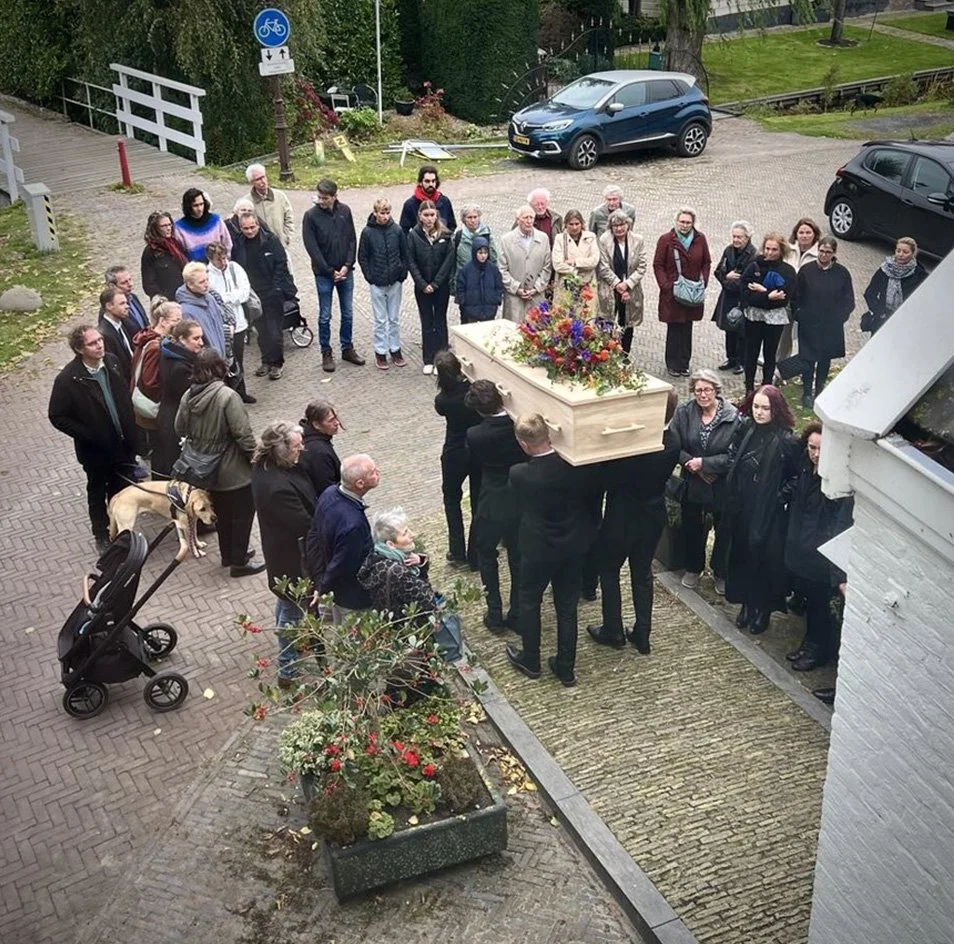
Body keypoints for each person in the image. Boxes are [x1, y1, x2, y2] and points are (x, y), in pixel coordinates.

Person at [505, 413, 596, 688]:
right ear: (550, 436)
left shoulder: (520, 474)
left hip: (538, 547)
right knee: (567, 606)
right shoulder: (574, 467)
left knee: (530, 600)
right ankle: (566, 667)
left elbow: (517, 505)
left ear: (523, 444)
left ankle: (530, 660)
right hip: (571, 545)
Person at [587, 390, 680, 653]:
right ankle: (643, 634)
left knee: (608, 569)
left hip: (622, 516)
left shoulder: (633, 446)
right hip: (652, 516)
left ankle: (613, 629)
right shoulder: (673, 442)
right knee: (642, 574)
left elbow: (606, 476)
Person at [48, 325, 140, 553]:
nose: (100, 345)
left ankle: (121, 532)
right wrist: (89, 434)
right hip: (96, 451)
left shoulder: (112, 362)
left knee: (122, 491)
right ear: (80, 349)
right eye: (92, 343)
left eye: (100, 340)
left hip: (122, 443)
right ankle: (101, 534)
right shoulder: (69, 379)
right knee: (98, 492)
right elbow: (57, 416)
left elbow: (124, 396)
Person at [174, 349, 263, 577]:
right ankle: (239, 561)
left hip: (205, 470)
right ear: (220, 368)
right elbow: (243, 435)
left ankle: (227, 555)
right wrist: (256, 459)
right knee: (243, 515)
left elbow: (179, 428)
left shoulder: (188, 396)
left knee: (221, 513)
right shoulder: (228, 397)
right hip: (233, 470)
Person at [723, 385, 799, 635]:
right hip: (744, 502)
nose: (759, 412)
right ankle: (745, 603)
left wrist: (779, 498)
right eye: (756, 406)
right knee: (742, 554)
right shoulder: (746, 428)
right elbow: (733, 451)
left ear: (775, 409)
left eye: (765, 408)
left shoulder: (787, 440)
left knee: (764, 560)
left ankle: (762, 608)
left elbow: (796, 476)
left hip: (768, 510)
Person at [784, 421, 853, 673]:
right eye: (811, 448)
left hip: (820, 554)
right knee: (810, 601)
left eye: (821, 449)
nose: (815, 454)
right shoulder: (806, 469)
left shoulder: (835, 482)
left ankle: (817, 649)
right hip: (801, 547)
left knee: (819, 605)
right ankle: (809, 643)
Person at [250, 420, 315, 689]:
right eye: (297, 447)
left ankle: (291, 650)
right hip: (291, 558)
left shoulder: (266, 467)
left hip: (281, 554)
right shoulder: (277, 487)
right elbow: (303, 523)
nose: (301, 451)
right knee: (291, 606)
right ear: (281, 449)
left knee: (285, 599)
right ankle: (287, 668)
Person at [669, 369, 740, 594]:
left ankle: (720, 573)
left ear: (716, 390)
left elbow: (735, 455)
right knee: (692, 526)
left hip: (722, 484)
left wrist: (707, 464)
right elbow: (674, 444)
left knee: (724, 530)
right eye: (698, 390)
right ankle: (693, 567)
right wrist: (693, 464)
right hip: (693, 482)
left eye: (707, 389)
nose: (702, 395)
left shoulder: (733, 417)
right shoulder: (684, 413)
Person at [465, 380, 526, 633]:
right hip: (518, 499)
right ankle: (518, 611)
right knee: (517, 557)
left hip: (491, 500)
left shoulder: (475, 435)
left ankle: (494, 611)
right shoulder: (518, 427)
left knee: (486, 553)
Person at [305, 453, 380, 623]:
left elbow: (314, 535)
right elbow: (342, 565)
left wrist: (319, 581)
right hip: (355, 598)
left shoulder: (329, 493)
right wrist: (322, 585)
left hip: (338, 593)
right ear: (360, 484)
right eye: (373, 472)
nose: (378, 472)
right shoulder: (353, 525)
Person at [302, 178, 365, 373]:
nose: (321, 201)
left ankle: (347, 348)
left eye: (325, 198)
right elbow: (311, 247)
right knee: (325, 315)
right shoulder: (310, 216)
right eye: (319, 197)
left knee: (347, 313)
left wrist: (348, 265)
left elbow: (351, 239)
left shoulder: (345, 211)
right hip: (324, 273)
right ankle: (326, 351)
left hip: (345, 271)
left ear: (335, 197)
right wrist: (330, 270)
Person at [232, 211, 298, 382]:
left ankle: (277, 363)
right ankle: (266, 361)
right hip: (253, 295)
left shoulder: (271, 241)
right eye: (245, 228)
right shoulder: (238, 244)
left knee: (274, 330)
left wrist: (276, 287)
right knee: (261, 331)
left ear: (258, 225)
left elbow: (281, 264)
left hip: (272, 292)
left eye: (252, 227)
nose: (249, 231)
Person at [794, 235, 855, 409]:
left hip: (830, 325)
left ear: (834, 253)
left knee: (824, 359)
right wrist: (799, 314)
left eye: (828, 252)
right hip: (809, 322)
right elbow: (796, 295)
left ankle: (819, 390)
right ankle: (806, 392)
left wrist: (840, 317)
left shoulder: (842, 273)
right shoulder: (806, 270)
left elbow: (848, 300)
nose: (823, 255)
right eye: (821, 251)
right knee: (807, 358)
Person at [434, 349, 482, 568]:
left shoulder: (442, 400)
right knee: (477, 502)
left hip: (453, 450)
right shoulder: (471, 392)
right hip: (475, 448)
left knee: (451, 499)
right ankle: (476, 554)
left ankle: (457, 550)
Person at [653, 207, 712, 377]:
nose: (685, 225)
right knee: (674, 327)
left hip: (692, 291)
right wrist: (666, 285)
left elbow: (706, 262)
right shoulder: (666, 240)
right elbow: (658, 265)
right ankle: (672, 363)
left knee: (687, 326)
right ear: (676, 222)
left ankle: (684, 362)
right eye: (682, 222)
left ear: (693, 223)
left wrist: (703, 281)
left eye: (688, 222)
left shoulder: (700, 239)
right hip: (673, 291)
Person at [740, 232, 797, 394]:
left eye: (774, 250)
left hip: (775, 319)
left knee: (769, 354)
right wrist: (768, 295)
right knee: (751, 352)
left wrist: (761, 291)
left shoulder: (787, 271)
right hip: (754, 316)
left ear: (781, 251)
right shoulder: (753, 265)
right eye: (767, 249)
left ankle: (766, 388)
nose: (770, 253)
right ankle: (749, 388)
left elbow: (784, 298)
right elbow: (745, 293)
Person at [357, 508, 437, 622]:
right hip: (408, 624)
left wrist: (420, 560)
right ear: (391, 544)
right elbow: (427, 598)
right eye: (405, 533)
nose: (412, 535)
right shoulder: (399, 572)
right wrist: (422, 567)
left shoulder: (376, 557)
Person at [357, 197, 409, 370]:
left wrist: (402, 274)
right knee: (380, 320)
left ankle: (395, 349)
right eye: (382, 213)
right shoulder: (367, 232)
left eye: (387, 213)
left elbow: (404, 253)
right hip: (377, 282)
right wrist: (370, 277)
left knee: (394, 318)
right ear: (375, 213)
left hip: (395, 281)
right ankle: (380, 352)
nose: (385, 216)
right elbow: (362, 257)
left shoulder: (397, 230)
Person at [407, 199, 455, 375]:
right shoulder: (413, 235)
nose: (429, 219)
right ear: (420, 216)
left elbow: (448, 261)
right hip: (422, 287)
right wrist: (422, 284)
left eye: (432, 215)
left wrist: (435, 284)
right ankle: (428, 358)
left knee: (440, 321)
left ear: (437, 215)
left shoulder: (445, 235)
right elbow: (411, 261)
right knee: (427, 322)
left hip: (440, 287)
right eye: (425, 215)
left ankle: (442, 359)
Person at [153, 318, 204, 477]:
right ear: (182, 339)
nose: (201, 343)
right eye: (196, 339)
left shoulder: (172, 354)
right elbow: (192, 400)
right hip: (174, 421)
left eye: (201, 337)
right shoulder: (180, 367)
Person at [206, 242, 255, 403]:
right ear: (210, 259)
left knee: (238, 359)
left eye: (224, 257)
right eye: (218, 259)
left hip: (239, 323)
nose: (223, 262)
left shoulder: (235, 268)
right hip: (220, 328)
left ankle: (241, 391)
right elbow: (211, 299)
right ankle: (227, 395)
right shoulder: (207, 275)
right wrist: (229, 297)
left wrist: (224, 298)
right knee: (222, 362)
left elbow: (244, 293)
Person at [129, 297, 182, 442]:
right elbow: (150, 382)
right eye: (176, 320)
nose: (180, 324)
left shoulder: (148, 336)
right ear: (163, 321)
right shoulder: (155, 347)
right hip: (154, 411)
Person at [596, 209, 647, 355]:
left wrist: (627, 285)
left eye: (622, 224)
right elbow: (603, 267)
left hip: (631, 289)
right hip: (609, 288)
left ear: (628, 224)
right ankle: (604, 355)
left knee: (627, 323)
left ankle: (624, 355)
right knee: (606, 322)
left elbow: (642, 266)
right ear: (611, 227)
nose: (619, 228)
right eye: (615, 225)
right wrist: (618, 285)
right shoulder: (604, 240)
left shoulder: (638, 240)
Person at [712, 221, 756, 375]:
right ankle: (730, 358)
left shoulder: (753, 255)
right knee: (728, 328)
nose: (736, 240)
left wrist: (733, 281)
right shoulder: (728, 250)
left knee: (742, 331)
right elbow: (718, 271)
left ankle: (741, 361)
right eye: (734, 236)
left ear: (747, 237)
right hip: (728, 295)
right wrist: (727, 277)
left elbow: (748, 279)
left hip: (743, 298)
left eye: (740, 237)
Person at [863, 236, 929, 335]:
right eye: (898, 251)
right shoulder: (884, 269)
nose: (901, 254)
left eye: (905, 252)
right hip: (882, 319)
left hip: (904, 322)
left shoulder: (919, 275)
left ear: (913, 254)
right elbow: (870, 293)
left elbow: (923, 301)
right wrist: (880, 312)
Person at [778, 217, 822, 365]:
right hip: (787, 300)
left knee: (806, 337)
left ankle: (805, 368)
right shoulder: (788, 251)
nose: (804, 235)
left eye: (808, 232)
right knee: (783, 336)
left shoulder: (820, 254)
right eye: (801, 232)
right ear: (796, 234)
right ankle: (780, 365)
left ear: (814, 234)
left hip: (807, 303)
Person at [498, 205, 552, 324]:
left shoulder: (543, 239)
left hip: (536, 296)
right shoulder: (506, 240)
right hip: (515, 297)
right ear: (517, 220)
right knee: (513, 332)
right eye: (525, 218)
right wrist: (516, 288)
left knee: (537, 332)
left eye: (531, 218)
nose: (529, 221)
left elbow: (547, 267)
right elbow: (502, 269)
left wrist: (536, 288)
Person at [175, 262, 228, 358]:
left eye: (207, 280)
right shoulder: (186, 311)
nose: (206, 284)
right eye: (201, 282)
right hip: (207, 361)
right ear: (190, 284)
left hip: (221, 355)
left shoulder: (210, 298)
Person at [551, 209, 599, 308]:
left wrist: (574, 262)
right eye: (571, 224)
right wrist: (575, 271)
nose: (574, 227)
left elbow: (594, 260)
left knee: (586, 316)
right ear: (565, 224)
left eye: (577, 224)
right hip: (565, 285)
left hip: (587, 284)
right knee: (564, 318)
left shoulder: (591, 237)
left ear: (582, 224)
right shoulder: (560, 239)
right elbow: (557, 264)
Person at [298, 399, 342, 499]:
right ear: (316, 425)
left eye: (336, 418)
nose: (337, 423)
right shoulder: (319, 453)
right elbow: (327, 489)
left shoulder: (308, 438)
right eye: (331, 420)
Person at [455, 235, 504, 324]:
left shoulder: (493, 269)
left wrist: (497, 299)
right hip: (471, 312)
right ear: (474, 252)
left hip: (489, 311)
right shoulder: (466, 270)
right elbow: (460, 288)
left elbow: (499, 286)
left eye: (485, 253)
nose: (483, 256)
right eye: (480, 253)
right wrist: (464, 302)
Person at [141, 211, 187, 301]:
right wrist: (162, 299)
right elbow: (148, 284)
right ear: (155, 229)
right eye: (163, 226)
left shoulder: (176, 244)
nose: (168, 228)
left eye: (170, 225)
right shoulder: (150, 252)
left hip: (184, 295)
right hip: (168, 301)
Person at [246, 163, 294, 249]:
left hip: (280, 246)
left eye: (263, 177)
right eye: (258, 179)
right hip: (259, 250)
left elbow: (289, 218)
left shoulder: (280, 196)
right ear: (251, 182)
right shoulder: (246, 202)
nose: (262, 181)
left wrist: (286, 237)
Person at [175, 188, 231, 262]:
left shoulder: (216, 220)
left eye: (201, 204)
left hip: (217, 266)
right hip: (195, 269)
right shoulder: (179, 228)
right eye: (195, 205)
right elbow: (180, 254)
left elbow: (227, 244)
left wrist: (225, 262)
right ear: (188, 207)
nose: (200, 209)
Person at [399, 164, 456, 233]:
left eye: (433, 181)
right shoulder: (410, 204)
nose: (431, 184)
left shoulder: (444, 201)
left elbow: (452, 225)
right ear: (420, 182)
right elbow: (404, 230)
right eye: (427, 181)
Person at [452, 204, 497, 291]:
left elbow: (494, 259)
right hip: (466, 284)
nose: (473, 220)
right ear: (463, 219)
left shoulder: (487, 235)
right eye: (469, 217)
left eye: (475, 217)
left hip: (485, 283)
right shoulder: (458, 237)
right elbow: (453, 262)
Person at [97, 286, 136, 383]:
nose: (127, 306)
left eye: (126, 303)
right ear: (109, 306)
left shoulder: (121, 323)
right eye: (122, 303)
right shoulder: (105, 334)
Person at [105, 265, 149, 334]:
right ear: (112, 286)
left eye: (130, 279)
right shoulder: (110, 310)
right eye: (124, 283)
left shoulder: (133, 297)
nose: (130, 284)